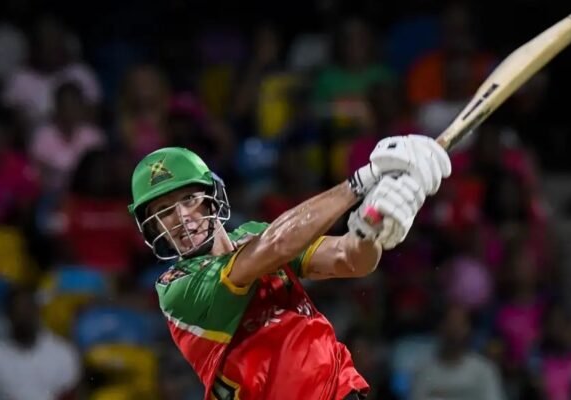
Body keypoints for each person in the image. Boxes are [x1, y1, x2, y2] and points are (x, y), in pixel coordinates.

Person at [128, 134, 452, 399]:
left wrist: (371, 228)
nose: (182, 218)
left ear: (212, 198)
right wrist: (364, 180)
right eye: (164, 212)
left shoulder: (254, 234)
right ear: (154, 229)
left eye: (189, 200)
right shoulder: (176, 287)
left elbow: (349, 260)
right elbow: (276, 246)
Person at [0, 286, 81, 400]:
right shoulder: (1, 354)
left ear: (37, 311)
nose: (23, 316)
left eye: (28, 308)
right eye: (17, 310)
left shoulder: (63, 352)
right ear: (8, 314)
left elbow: (70, 393)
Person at [411, 305, 505, 400]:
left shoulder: (484, 369)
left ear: (469, 329)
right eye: (450, 323)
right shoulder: (424, 370)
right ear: (440, 327)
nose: (455, 329)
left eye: (460, 324)